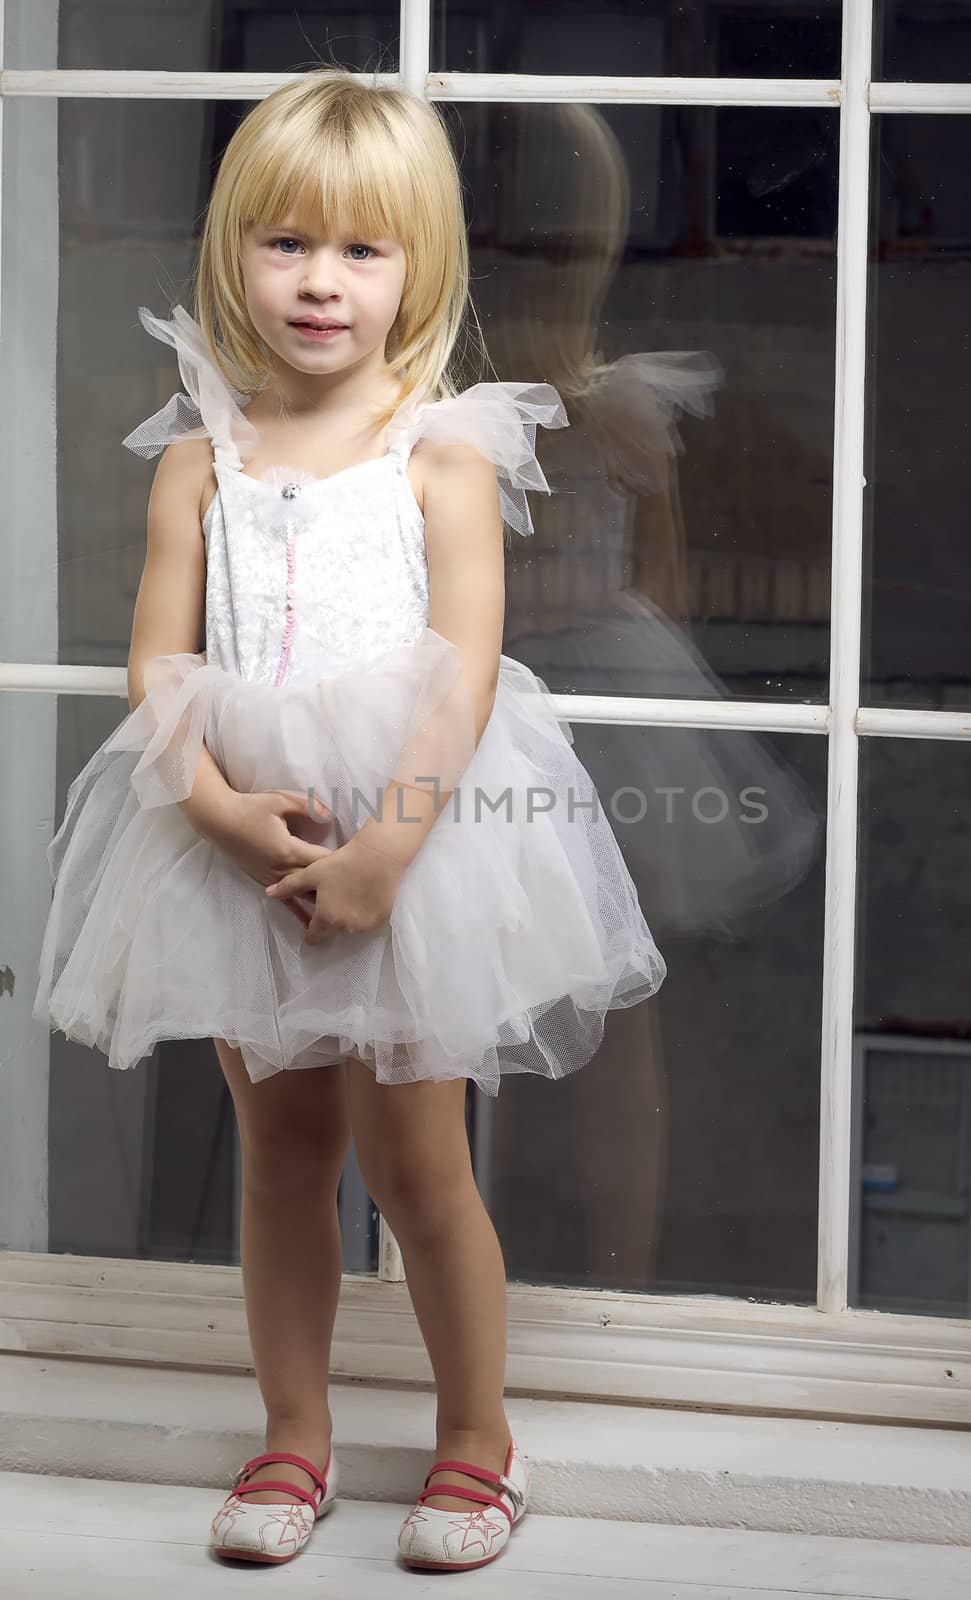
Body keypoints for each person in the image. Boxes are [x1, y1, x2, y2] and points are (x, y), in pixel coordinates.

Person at [32, 68, 667, 1571]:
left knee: (421, 1170)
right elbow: (157, 667)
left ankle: (475, 1445)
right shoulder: (202, 459)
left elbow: (463, 671)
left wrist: (388, 849)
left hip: (412, 851)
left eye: (362, 250)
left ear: (417, 268)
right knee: (279, 1162)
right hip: (240, 844)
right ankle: (293, 1438)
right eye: (288, 242)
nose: (321, 279)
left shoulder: (441, 453)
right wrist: (226, 815)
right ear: (235, 253)